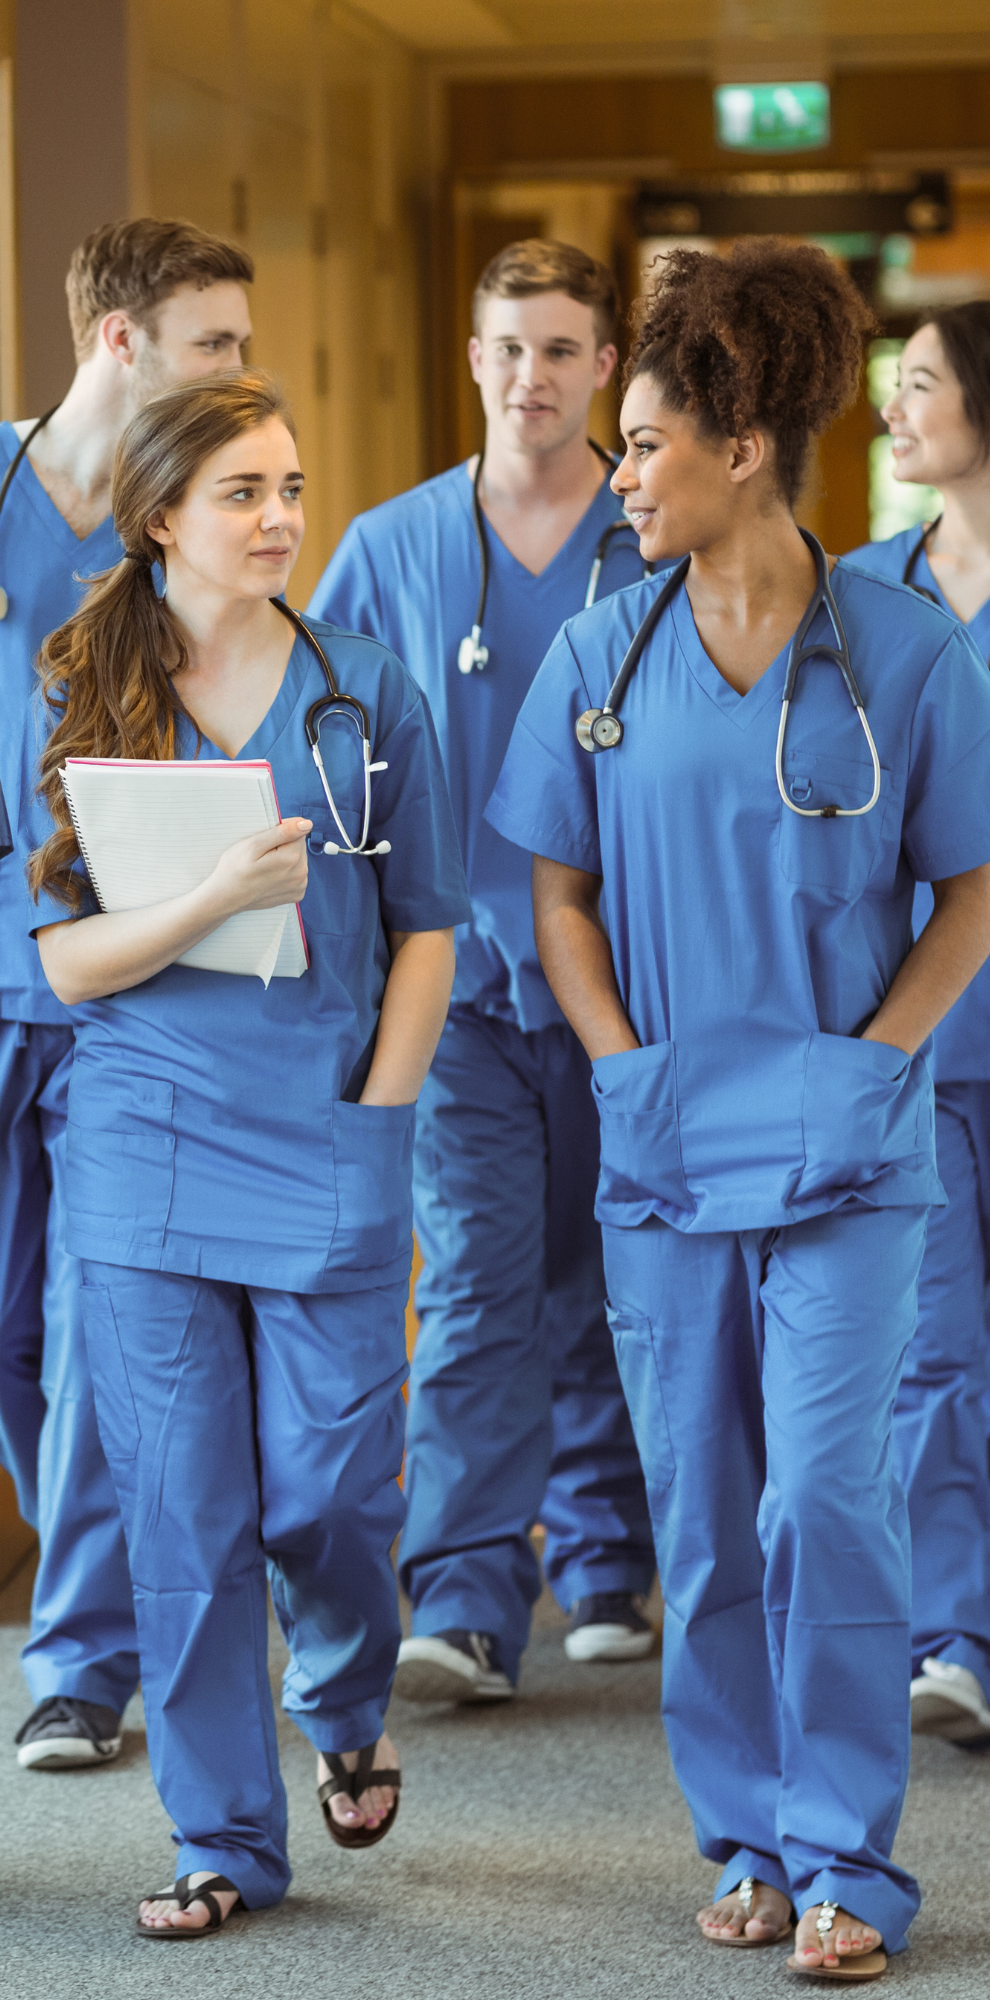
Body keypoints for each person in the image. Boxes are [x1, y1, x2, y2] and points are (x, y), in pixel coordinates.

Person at [484, 240, 990, 1976]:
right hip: (666, 1138)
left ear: (746, 448)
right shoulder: (600, 659)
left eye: (642, 444)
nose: (614, 474)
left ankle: (852, 1856)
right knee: (705, 1518)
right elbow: (553, 897)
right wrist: (618, 1061)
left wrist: (879, 1059)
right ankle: (751, 1841)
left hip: (852, 1155)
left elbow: (976, 892)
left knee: (825, 1505)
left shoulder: (910, 653)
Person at [19, 369, 469, 1934]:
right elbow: (62, 963)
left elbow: (429, 932)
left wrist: (380, 1112)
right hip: (142, 1139)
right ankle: (223, 1838)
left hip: (330, 1133)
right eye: (244, 495)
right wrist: (211, 897)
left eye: (292, 488)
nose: (283, 519)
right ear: (159, 521)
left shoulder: (368, 691)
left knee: (333, 1495)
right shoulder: (71, 688)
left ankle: (344, 1700)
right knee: (185, 1513)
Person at [310, 240, 656, 1704]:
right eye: (510, 348)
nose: (534, 379)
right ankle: (461, 1590)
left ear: (605, 368)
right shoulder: (391, 548)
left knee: (613, 1267)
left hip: (628, 980)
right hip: (452, 988)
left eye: (564, 350)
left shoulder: (657, 537)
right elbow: (315, 731)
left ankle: (603, 1557)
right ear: (473, 360)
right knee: (474, 1281)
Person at [0, 217, 255, 1771]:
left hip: (122, 978)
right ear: (120, 344)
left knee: (106, 1320)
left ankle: (82, 1659)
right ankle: (132, 1589)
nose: (241, 369)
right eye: (214, 343)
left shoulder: (191, 520)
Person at [843, 303, 990, 1748]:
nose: (893, 411)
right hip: (925, 1038)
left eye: (924, 387)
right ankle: (961, 1637)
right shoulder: (860, 599)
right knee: (939, 1351)